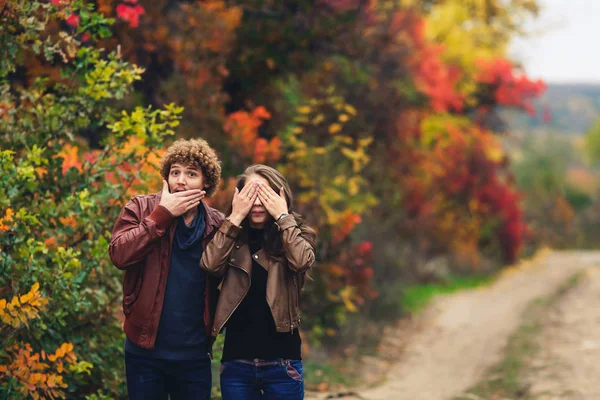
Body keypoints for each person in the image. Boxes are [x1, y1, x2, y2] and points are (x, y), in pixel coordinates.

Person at [109, 138, 224, 400]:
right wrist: (161, 215)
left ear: (206, 182)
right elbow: (119, 255)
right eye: (175, 172)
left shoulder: (218, 225)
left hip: (194, 356)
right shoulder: (141, 208)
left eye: (191, 174)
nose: (181, 180)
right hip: (144, 353)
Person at [200, 164, 317, 400]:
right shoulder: (229, 235)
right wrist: (234, 217)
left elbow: (302, 261)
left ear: (280, 197)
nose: (256, 202)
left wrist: (283, 217)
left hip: (283, 364)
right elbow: (210, 264)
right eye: (250, 195)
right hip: (237, 363)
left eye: (265, 195)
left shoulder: (294, 234)